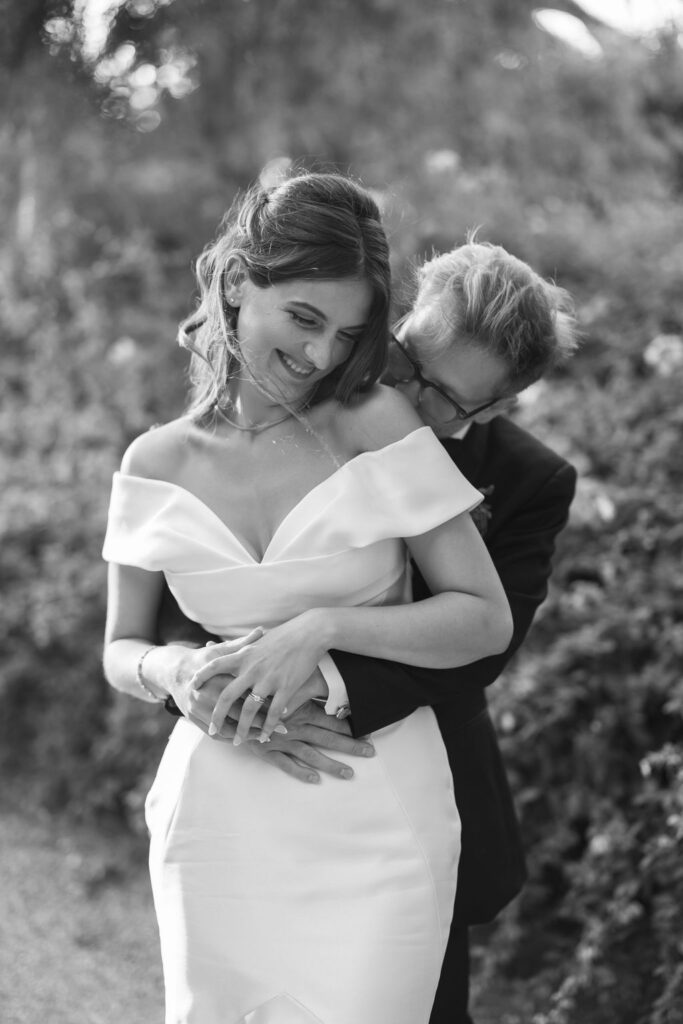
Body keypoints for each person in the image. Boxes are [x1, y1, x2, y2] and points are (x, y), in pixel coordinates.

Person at [102, 173, 513, 1024]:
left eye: (348, 334)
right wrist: (176, 675)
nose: (323, 356)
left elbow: (483, 617)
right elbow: (120, 647)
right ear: (234, 283)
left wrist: (319, 629)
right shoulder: (152, 464)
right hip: (217, 814)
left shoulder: (375, 424)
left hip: (374, 813)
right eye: (303, 318)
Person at [162, 235, 579, 1024]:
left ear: (492, 409)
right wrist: (205, 684)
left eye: (443, 396)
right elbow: (190, 595)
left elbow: (479, 651)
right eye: (406, 359)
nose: (404, 393)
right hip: (243, 776)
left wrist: (313, 666)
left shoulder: (530, 480)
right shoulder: (293, 406)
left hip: (410, 799)